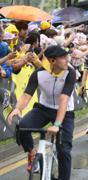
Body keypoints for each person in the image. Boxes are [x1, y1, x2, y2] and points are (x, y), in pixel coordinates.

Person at [7, 45, 76, 180]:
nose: (67, 60)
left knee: (63, 150)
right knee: (22, 126)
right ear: (52, 60)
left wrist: (57, 124)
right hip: (44, 108)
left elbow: (64, 100)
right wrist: (17, 108)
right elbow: (27, 95)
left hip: (65, 112)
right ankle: (33, 154)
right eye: (63, 57)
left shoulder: (70, 73)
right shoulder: (39, 73)